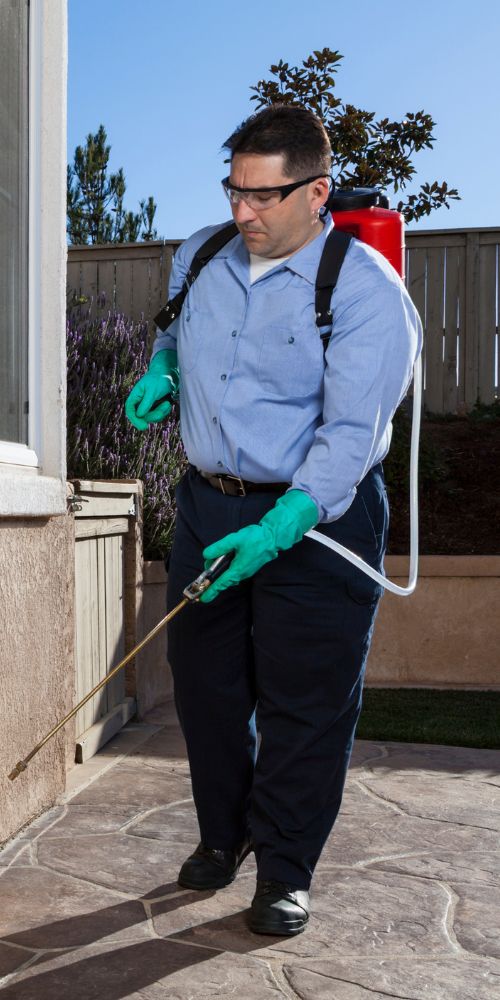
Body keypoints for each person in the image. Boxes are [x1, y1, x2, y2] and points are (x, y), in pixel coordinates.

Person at [125, 105, 422, 937]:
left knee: (305, 704)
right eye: (233, 191)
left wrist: (277, 529)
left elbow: (347, 438)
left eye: (263, 196)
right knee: (210, 692)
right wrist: (163, 371)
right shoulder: (204, 254)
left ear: (317, 192)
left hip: (318, 523)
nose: (242, 212)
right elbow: (178, 337)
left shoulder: (367, 293)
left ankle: (286, 872)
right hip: (208, 504)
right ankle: (225, 838)